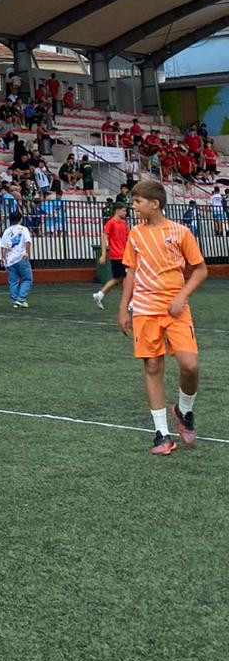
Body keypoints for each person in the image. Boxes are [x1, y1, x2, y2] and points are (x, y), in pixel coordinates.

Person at [119, 178, 208, 455]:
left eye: (137, 201)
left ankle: (184, 410)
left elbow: (201, 269)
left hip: (176, 309)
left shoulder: (180, 232)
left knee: (190, 365)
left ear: (155, 204)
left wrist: (182, 296)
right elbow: (131, 272)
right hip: (145, 309)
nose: (133, 206)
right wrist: (124, 307)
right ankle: (162, 434)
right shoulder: (135, 234)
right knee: (153, 366)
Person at [93, 200, 129, 309]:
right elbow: (104, 237)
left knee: (120, 278)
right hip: (117, 255)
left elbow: (127, 238)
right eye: (123, 210)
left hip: (124, 254)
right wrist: (103, 254)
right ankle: (128, 302)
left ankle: (100, 294)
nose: (125, 213)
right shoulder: (111, 222)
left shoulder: (124, 223)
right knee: (125, 278)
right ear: (117, 211)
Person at [0, 212, 33, 308]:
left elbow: (2, 246)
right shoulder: (23, 229)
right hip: (21, 257)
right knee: (27, 279)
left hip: (9, 259)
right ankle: (21, 298)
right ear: (21, 219)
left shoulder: (7, 231)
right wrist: (27, 252)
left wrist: (3, 258)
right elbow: (28, 241)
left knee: (13, 281)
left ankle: (15, 300)